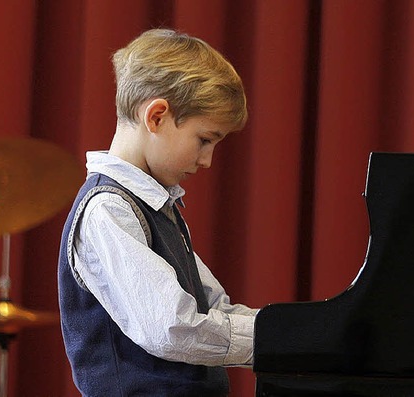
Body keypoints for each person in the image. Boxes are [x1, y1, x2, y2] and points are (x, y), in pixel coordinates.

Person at [57, 28, 258, 396]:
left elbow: (214, 308)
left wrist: (297, 333)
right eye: (205, 140)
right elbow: (173, 328)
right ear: (157, 116)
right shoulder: (108, 210)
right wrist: (277, 341)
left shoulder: (158, 207)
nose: (207, 160)